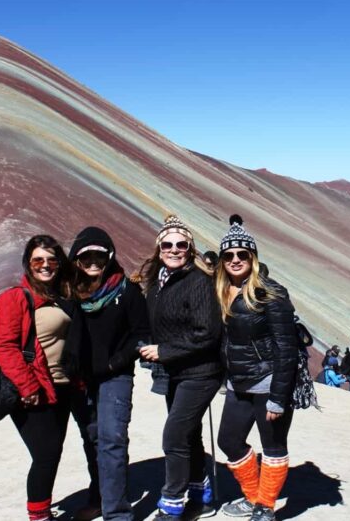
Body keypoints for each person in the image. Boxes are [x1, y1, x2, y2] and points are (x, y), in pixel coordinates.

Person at [137, 214, 223, 521]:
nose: (175, 249)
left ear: (190, 248)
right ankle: (201, 496)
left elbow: (207, 333)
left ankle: (172, 504)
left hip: (201, 372)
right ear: (159, 249)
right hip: (177, 371)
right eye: (168, 245)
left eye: (181, 244)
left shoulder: (198, 281)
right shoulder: (158, 282)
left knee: (173, 437)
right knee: (188, 435)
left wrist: (164, 350)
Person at [213, 215, 299, 521]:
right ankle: (253, 497)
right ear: (222, 260)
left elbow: (287, 348)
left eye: (242, 254)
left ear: (253, 257)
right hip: (238, 383)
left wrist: (278, 396)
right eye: (229, 255)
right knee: (228, 441)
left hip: (267, 381)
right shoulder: (222, 292)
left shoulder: (271, 293)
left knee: (273, 444)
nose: (235, 260)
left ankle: (266, 507)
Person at [65, 226, 151, 521]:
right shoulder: (70, 293)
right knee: (93, 439)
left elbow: (141, 333)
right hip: (80, 379)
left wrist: (117, 362)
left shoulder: (126, 290)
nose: (92, 262)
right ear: (76, 259)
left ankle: (117, 514)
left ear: (109, 257)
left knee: (112, 438)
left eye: (99, 257)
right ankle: (100, 498)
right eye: (85, 256)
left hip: (116, 376)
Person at [0, 235, 78, 521]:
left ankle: (42, 511)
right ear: (28, 264)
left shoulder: (62, 295)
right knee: (46, 453)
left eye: (52, 259)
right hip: (32, 389)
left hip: (62, 387)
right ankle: (38, 515)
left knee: (52, 452)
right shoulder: (15, 298)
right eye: (38, 260)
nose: (45, 265)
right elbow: (3, 346)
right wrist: (27, 386)